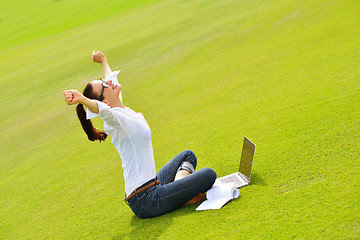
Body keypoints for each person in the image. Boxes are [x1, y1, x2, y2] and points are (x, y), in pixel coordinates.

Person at [63, 51, 217, 218]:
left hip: (153, 185)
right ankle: (182, 194)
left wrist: (103, 60)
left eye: (103, 81)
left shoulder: (120, 108)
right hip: (145, 199)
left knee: (188, 156)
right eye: (104, 85)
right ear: (104, 102)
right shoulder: (115, 121)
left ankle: (180, 191)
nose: (108, 82)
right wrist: (82, 100)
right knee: (209, 174)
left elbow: (111, 81)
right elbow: (103, 110)